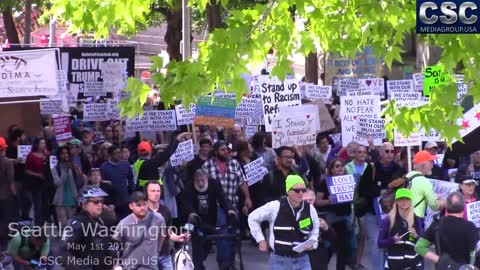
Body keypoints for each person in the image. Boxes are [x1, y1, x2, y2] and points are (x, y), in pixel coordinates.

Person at [248, 175, 320, 270]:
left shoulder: (310, 209)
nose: (301, 193)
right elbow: (253, 217)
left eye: (303, 189)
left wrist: (313, 244)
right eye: (297, 190)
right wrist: (260, 239)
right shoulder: (275, 206)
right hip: (280, 261)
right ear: (288, 191)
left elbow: (315, 229)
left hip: (303, 260)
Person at [202, 140, 252, 269]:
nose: (226, 152)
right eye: (223, 150)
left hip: (232, 204)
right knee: (222, 234)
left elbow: (242, 182)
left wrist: (247, 197)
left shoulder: (234, 164)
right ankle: (224, 263)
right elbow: (202, 186)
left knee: (234, 235)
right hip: (216, 207)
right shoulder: (207, 166)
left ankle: (230, 260)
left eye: (227, 150)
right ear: (216, 151)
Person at [356, 142, 405, 270]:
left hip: (392, 214)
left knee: (391, 244)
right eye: (387, 151)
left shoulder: (398, 169)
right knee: (377, 244)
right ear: (381, 153)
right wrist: (380, 191)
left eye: (392, 151)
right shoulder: (372, 168)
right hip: (373, 214)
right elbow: (362, 189)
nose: (390, 154)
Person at [182, 169, 235, 270]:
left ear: (206, 178)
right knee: (197, 246)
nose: (201, 184)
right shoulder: (189, 187)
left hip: (211, 218)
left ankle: (220, 263)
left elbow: (223, 198)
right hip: (195, 220)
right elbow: (186, 203)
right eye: (198, 181)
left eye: (202, 180)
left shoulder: (214, 184)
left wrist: (229, 209)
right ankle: (198, 267)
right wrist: (191, 212)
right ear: (194, 180)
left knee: (207, 245)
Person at [415, 192, 479, 266]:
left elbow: (419, 247)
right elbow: (473, 253)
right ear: (463, 207)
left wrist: (440, 260)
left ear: (447, 206)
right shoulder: (470, 227)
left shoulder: (437, 224)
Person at [63, 185, 115, 270]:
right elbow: (65, 253)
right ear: (84, 204)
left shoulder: (99, 221)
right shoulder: (76, 224)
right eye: (96, 202)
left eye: (101, 201)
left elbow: (107, 245)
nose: (100, 205)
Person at [315, 159, 354, 270]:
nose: (340, 168)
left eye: (342, 165)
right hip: (333, 218)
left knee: (343, 248)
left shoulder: (349, 180)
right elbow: (317, 201)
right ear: (331, 169)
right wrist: (328, 201)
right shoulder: (325, 182)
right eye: (337, 166)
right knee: (333, 246)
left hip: (346, 217)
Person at [112, 191, 166, 270]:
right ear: (131, 206)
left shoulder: (158, 219)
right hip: (130, 267)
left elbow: (162, 235)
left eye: (144, 204)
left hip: (151, 267)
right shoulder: (124, 223)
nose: (142, 208)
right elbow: (115, 246)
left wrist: (157, 251)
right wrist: (116, 265)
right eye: (138, 205)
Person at [145, 180, 189, 270]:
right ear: (147, 193)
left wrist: (178, 237)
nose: (156, 194)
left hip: (164, 255)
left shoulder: (166, 211)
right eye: (153, 191)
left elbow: (169, 232)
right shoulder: (141, 212)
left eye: (158, 191)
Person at [378, 188, 423, 270]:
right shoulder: (387, 220)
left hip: (413, 265)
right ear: (396, 202)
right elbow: (380, 243)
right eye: (401, 199)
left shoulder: (416, 219)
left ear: (411, 201)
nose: (404, 201)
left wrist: (416, 236)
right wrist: (392, 240)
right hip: (393, 265)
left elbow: (423, 244)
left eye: (407, 199)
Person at [50, 146, 86, 227]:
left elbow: (83, 181)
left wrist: (79, 171)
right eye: (62, 153)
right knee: (63, 224)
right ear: (59, 156)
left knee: (72, 224)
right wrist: (65, 171)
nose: (65, 155)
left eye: (66, 153)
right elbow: (58, 183)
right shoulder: (55, 169)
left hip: (72, 200)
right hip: (60, 201)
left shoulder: (72, 167)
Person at [407, 150, 444, 222]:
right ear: (423, 165)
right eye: (430, 162)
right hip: (416, 220)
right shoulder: (424, 182)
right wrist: (444, 202)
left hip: (404, 217)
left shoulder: (408, 175)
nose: (433, 165)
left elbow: (416, 194)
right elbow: (434, 206)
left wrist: (434, 196)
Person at [100, 145, 135, 220]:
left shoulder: (125, 164)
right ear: (110, 155)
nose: (119, 155)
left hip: (125, 199)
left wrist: (131, 193)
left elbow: (130, 179)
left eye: (119, 152)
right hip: (113, 202)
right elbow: (103, 185)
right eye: (116, 153)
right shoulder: (104, 167)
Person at [304, 189, 335, 270]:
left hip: (318, 256)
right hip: (300, 255)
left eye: (310, 200)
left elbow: (333, 239)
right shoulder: (293, 214)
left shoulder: (321, 215)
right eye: (305, 200)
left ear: (314, 200)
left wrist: (326, 228)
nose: (308, 202)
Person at [25, 137, 49, 226]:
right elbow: (27, 170)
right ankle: (38, 225)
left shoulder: (46, 154)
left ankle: (44, 221)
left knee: (45, 203)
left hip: (45, 183)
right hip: (36, 184)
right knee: (38, 205)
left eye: (44, 143)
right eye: (42, 143)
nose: (44, 145)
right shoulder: (31, 155)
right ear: (37, 144)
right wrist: (37, 175)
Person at [0, 137, 16, 249]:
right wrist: (15, 194)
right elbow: (11, 182)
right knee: (5, 220)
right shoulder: (7, 162)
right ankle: (4, 245)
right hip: (5, 195)